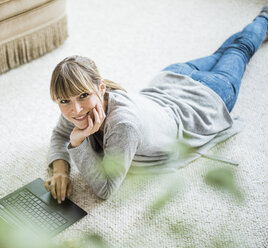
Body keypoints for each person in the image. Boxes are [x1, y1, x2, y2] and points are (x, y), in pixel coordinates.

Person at [44, 6, 268, 203]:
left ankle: (265, 16)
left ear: (101, 88)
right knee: (226, 51)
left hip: (207, 96)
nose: (75, 110)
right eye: (64, 101)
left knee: (241, 49)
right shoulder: (78, 106)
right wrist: (61, 169)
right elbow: (58, 134)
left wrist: (77, 141)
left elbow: (105, 189)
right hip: (173, 77)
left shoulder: (123, 124)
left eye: (83, 95)